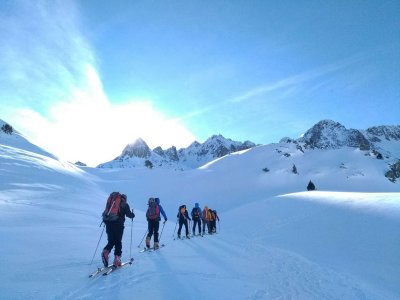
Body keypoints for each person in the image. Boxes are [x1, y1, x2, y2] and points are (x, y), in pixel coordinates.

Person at [101, 193, 135, 267]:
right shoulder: (124, 204)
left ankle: (105, 252)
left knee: (111, 241)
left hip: (108, 224)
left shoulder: (111, 203)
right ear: (125, 199)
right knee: (118, 242)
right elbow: (129, 214)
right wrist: (133, 215)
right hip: (118, 225)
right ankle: (117, 259)